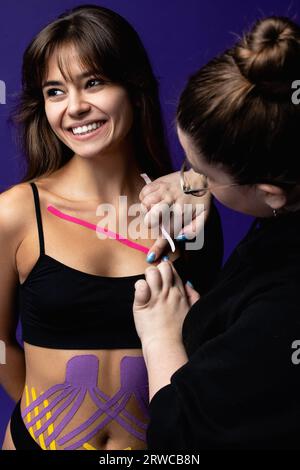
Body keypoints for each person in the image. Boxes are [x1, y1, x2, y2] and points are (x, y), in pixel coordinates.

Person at [0, 5, 223, 450]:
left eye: (94, 82)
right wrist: (47, 417)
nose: (76, 107)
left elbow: (212, 345)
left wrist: (199, 181)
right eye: (55, 91)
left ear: (133, 89)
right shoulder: (16, 213)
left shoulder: (190, 206)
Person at [133, 16, 300, 450]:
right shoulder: (279, 221)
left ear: (271, 194)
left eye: (201, 171)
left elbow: (183, 442)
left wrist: (162, 337)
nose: (187, 179)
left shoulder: (284, 306)